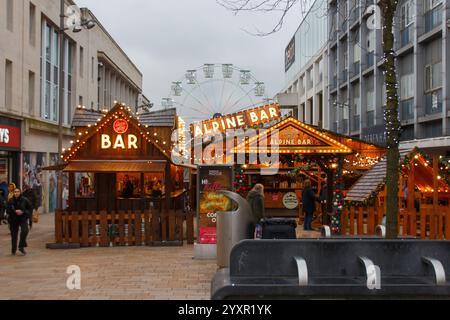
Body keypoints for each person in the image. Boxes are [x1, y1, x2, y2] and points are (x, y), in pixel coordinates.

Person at [7, 188, 33, 256]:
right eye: (15, 192)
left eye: (18, 192)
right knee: (14, 235)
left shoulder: (25, 200)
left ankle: (21, 246)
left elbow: (30, 208)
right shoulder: (10, 200)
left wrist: (23, 212)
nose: (16, 193)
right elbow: (8, 210)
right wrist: (14, 211)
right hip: (13, 220)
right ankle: (13, 250)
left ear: (20, 192)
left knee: (25, 231)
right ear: (13, 193)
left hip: (22, 218)